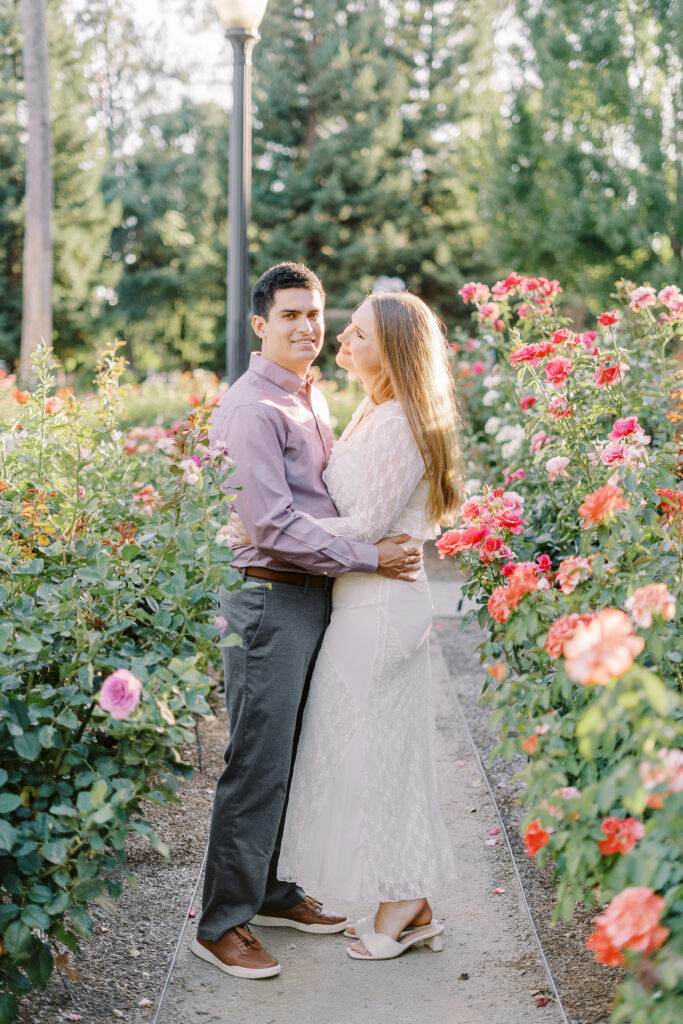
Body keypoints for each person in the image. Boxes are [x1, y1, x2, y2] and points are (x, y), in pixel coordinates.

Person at [192, 263, 422, 980]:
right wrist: (365, 555)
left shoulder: (310, 398)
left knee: (288, 754)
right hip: (266, 598)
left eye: (316, 314)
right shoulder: (251, 408)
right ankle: (221, 923)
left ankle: (272, 890)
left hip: (309, 596)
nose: (307, 327)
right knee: (256, 762)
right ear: (259, 324)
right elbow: (272, 522)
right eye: (290, 314)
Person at [275, 290, 462, 962]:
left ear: (393, 351)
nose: (341, 341)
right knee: (373, 754)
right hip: (362, 601)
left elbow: (364, 526)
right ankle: (407, 904)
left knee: (372, 758)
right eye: (347, 330)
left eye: (357, 334)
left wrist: (268, 532)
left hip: (381, 609)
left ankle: (404, 900)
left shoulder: (400, 423)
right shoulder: (373, 410)